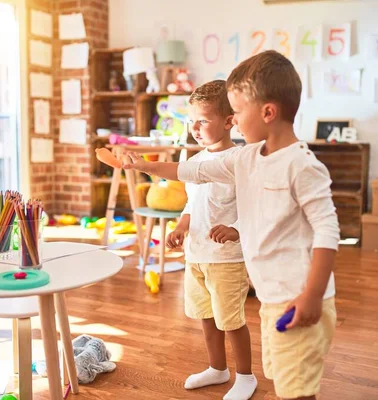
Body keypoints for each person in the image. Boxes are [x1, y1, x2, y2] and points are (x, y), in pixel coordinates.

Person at [123, 50, 339, 400]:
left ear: (268, 112)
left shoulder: (302, 166)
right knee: (285, 379)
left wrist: (312, 295)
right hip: (272, 296)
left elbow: (328, 233)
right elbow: (190, 171)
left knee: (297, 388)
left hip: (298, 296)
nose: (234, 122)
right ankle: (222, 368)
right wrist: (140, 165)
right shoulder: (247, 157)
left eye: (237, 112)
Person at [165, 80, 257, 400]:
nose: (195, 127)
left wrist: (236, 229)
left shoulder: (241, 160)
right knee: (206, 316)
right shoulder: (196, 162)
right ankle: (217, 368)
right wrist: (180, 227)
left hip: (226, 258)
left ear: (229, 121)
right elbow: (193, 203)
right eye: (192, 120)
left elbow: (256, 206)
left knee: (231, 320)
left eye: (203, 120)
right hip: (196, 255)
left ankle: (245, 376)